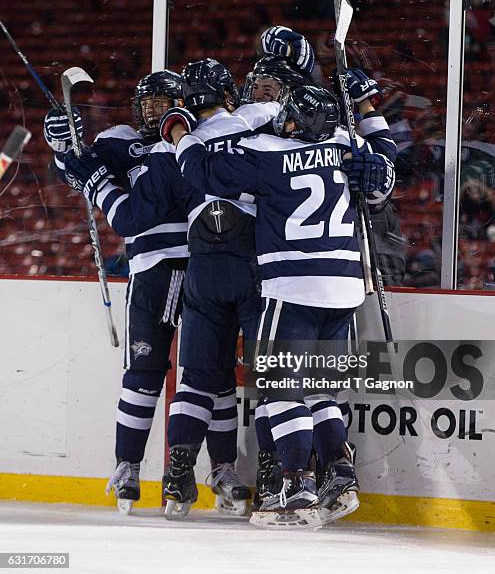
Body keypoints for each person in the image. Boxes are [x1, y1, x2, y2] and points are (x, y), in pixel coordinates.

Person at [160, 76, 396, 528]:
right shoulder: (348, 144)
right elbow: (385, 165)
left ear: (299, 120)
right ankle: (341, 478)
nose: (283, 119)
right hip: (345, 289)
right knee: (322, 389)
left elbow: (202, 172)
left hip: (292, 288)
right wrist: (368, 107)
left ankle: (296, 487)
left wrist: (180, 134)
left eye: (289, 114)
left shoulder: (269, 152)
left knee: (281, 390)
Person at [62, 58, 281, 519]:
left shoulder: (175, 146)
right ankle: (134, 466)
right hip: (187, 267)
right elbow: (76, 166)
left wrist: (96, 183)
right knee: (166, 372)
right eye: (150, 103)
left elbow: (125, 215)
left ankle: (209, 468)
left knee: (202, 374)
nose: (155, 111)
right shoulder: (126, 141)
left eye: (166, 103)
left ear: (182, 105)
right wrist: (63, 146)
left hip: (187, 266)